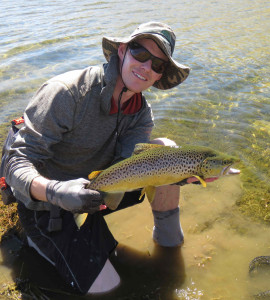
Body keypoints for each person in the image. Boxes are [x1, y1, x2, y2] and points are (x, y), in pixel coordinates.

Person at [4, 21, 199, 295]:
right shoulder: (66, 93)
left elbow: (128, 165)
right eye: (141, 53)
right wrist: (57, 192)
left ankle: (170, 251)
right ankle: (38, 241)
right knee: (111, 290)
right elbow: (16, 164)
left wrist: (177, 173)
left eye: (158, 65)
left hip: (98, 189)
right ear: (122, 50)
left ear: (160, 76)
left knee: (167, 150)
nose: (146, 67)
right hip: (46, 202)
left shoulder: (141, 113)